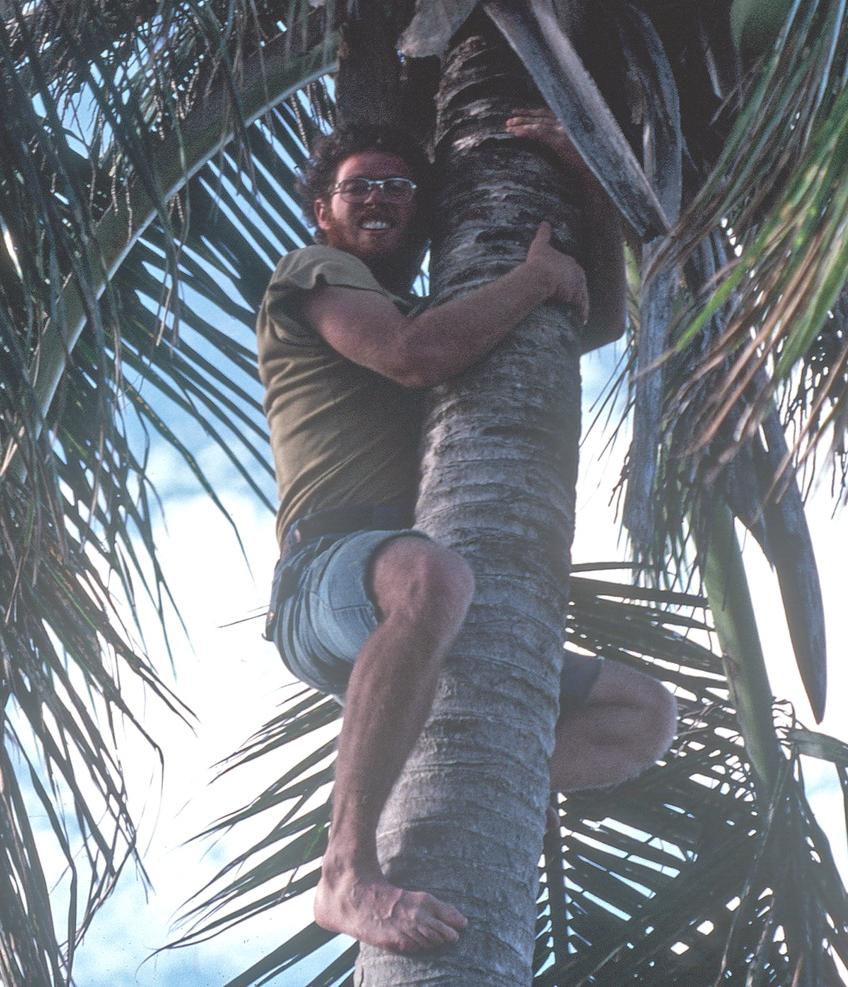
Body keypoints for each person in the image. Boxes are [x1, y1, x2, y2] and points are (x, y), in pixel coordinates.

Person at [255, 116, 678, 956]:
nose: (379, 197)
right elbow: (414, 355)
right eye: (359, 186)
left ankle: (472, 778)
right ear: (322, 212)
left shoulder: (449, 299)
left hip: (410, 597)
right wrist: (532, 280)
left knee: (643, 713)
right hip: (324, 574)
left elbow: (589, 316)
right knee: (433, 579)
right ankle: (343, 871)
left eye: (399, 186)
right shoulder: (315, 276)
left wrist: (574, 168)